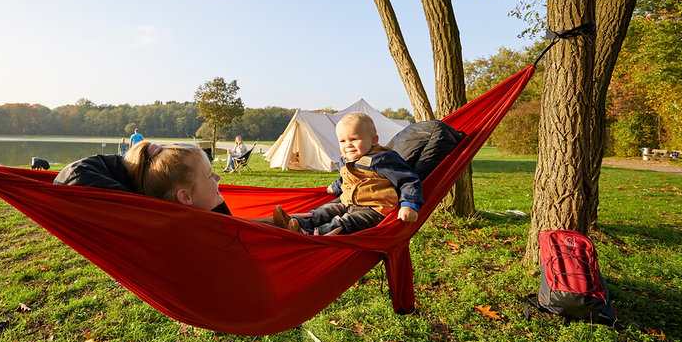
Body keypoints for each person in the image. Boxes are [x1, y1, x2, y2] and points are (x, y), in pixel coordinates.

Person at [273, 112, 421, 235]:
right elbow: (346, 177)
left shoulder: (382, 159)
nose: (348, 145)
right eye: (342, 141)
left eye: (354, 139)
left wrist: (409, 204)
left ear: (374, 140)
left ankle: (310, 234)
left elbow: (408, 180)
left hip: (374, 208)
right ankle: (294, 223)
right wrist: (335, 186)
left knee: (343, 222)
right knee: (324, 210)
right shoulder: (347, 159)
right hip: (347, 201)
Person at [55, 141, 230, 214]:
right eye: (209, 175)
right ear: (185, 196)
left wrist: (138, 163)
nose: (218, 177)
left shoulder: (209, 204)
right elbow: (75, 175)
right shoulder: (182, 240)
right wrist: (130, 165)